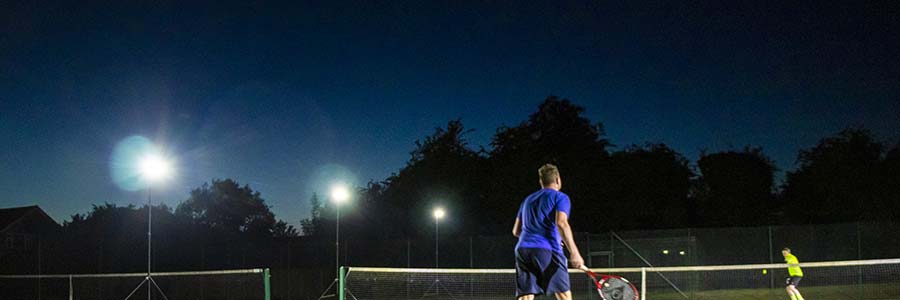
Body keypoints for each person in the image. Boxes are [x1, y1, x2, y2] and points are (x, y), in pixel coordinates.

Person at [512, 163, 584, 300]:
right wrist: (574, 252)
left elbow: (516, 231)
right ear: (558, 180)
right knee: (563, 294)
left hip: (522, 250)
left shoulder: (527, 200)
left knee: (526, 295)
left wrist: (533, 238)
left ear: (541, 182)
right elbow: (561, 223)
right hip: (548, 250)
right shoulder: (560, 197)